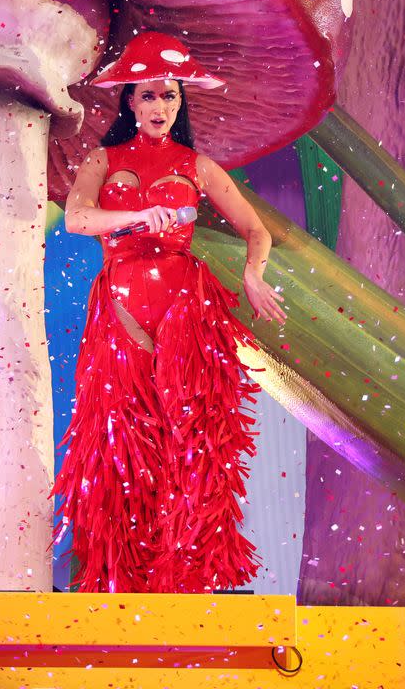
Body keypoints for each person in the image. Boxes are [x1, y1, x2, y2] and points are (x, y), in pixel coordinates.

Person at [50, 31, 286, 594]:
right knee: (119, 448)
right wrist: (137, 216)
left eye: (171, 97)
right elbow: (77, 219)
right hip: (122, 309)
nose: (161, 107)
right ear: (130, 100)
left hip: (187, 308)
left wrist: (254, 274)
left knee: (199, 444)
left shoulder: (196, 164)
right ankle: (119, 584)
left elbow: (256, 230)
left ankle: (193, 580)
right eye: (151, 96)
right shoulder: (103, 160)